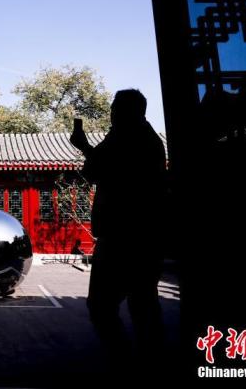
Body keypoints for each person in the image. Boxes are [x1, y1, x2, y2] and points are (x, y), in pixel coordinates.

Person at [70, 89, 167, 367]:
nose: (111, 113)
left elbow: (96, 171)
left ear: (129, 111)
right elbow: (99, 170)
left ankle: (129, 363)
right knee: (143, 305)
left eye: (115, 108)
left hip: (124, 237)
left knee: (104, 306)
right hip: (145, 236)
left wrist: (84, 146)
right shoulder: (142, 137)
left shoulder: (128, 136)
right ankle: (147, 363)